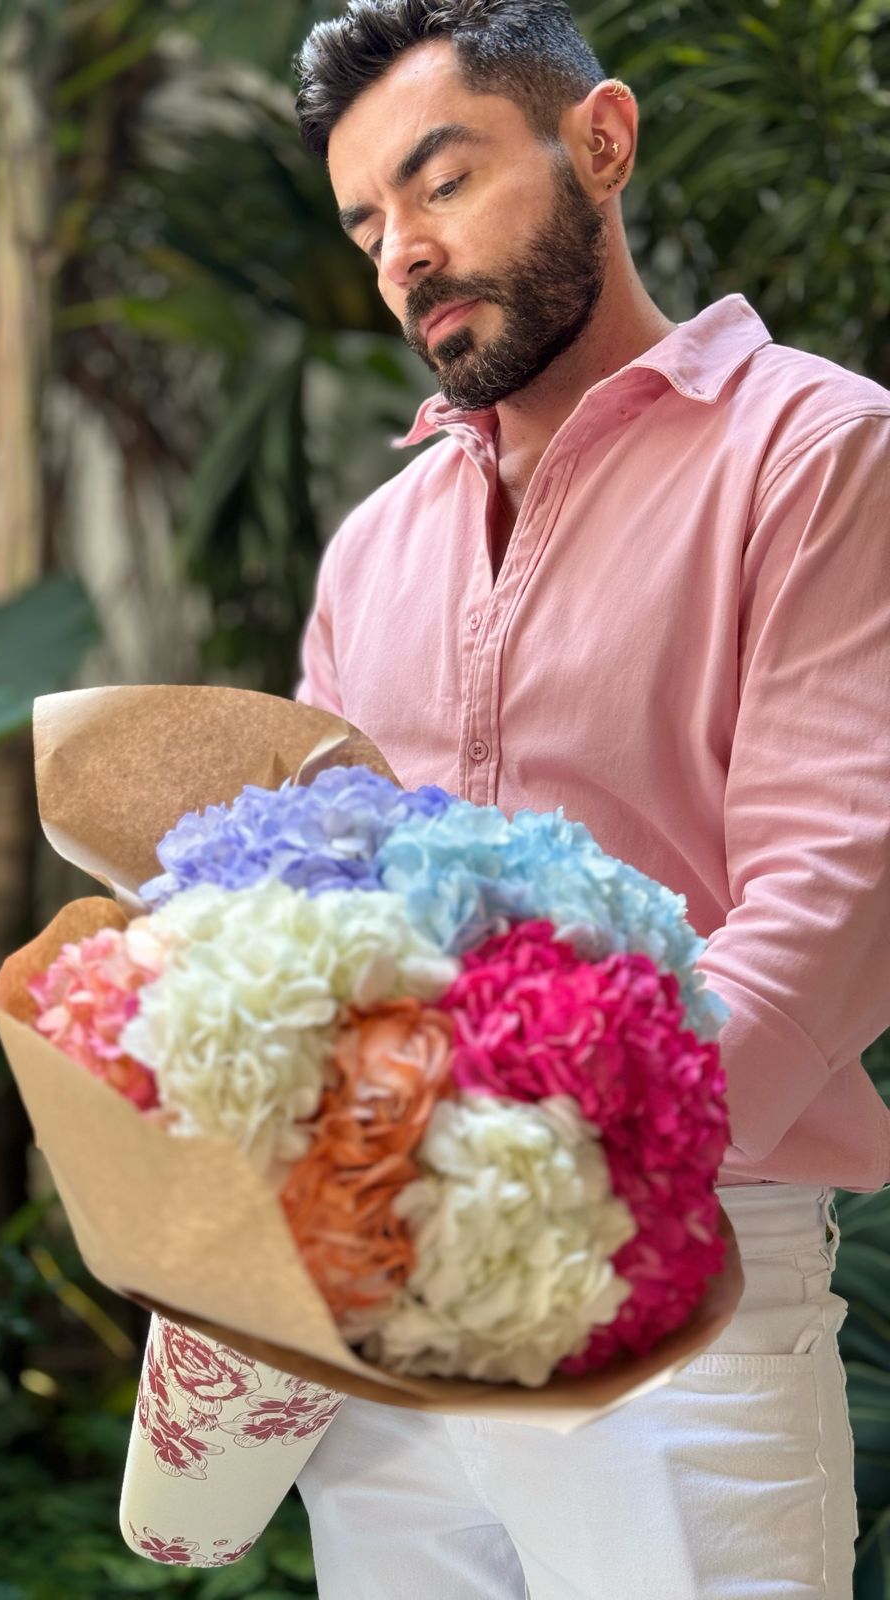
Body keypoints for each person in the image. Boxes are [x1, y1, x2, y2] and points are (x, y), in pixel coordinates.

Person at [287, 3, 890, 1596]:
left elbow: (842, 891)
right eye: (368, 223)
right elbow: (314, 919)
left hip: (686, 1299)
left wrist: (568, 1189)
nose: (404, 252)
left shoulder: (817, 452)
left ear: (600, 143)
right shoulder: (375, 546)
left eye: (443, 181)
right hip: (394, 1326)